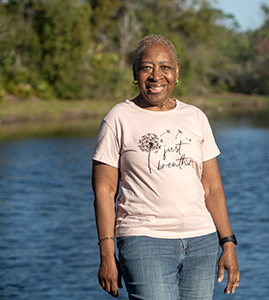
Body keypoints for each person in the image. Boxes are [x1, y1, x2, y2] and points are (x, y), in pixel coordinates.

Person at [91, 34, 240, 300]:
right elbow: (104, 191)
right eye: (146, 67)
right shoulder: (118, 118)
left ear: (177, 71)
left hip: (201, 243)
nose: (156, 75)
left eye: (165, 67)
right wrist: (106, 253)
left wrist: (227, 242)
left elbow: (212, 187)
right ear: (135, 73)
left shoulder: (195, 117)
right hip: (144, 241)